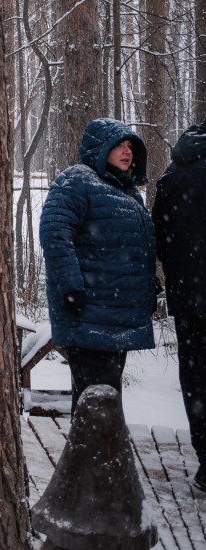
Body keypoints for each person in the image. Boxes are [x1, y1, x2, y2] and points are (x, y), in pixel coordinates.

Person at [40, 118, 159, 414]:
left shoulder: (128, 193)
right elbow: (55, 234)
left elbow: (134, 248)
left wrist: (149, 286)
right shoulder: (77, 181)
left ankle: (100, 454)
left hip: (116, 314)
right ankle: (91, 458)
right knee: (95, 399)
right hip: (88, 312)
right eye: (118, 145)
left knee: (106, 396)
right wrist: (71, 286)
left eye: (129, 145)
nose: (127, 151)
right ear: (99, 148)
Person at [153, 121, 206, 491]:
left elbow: (159, 236)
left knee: (197, 378)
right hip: (191, 292)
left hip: (189, 297)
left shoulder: (173, 175)